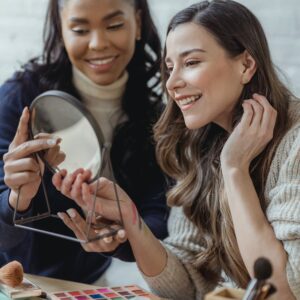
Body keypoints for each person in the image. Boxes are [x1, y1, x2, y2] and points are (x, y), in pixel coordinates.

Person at [54, 0, 300, 299]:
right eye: (170, 67)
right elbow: (184, 287)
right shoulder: (200, 144)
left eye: (192, 62)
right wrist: (132, 221)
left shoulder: (294, 145)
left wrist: (234, 169)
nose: (172, 82)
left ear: (246, 65)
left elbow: (282, 289)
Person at [0, 0, 169, 283]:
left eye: (114, 25)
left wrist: (121, 236)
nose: (97, 44)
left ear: (138, 23)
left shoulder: (156, 118)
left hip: (86, 288)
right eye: (79, 29)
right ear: (61, 29)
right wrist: (18, 198)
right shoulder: (20, 98)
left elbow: (159, 216)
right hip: (14, 286)